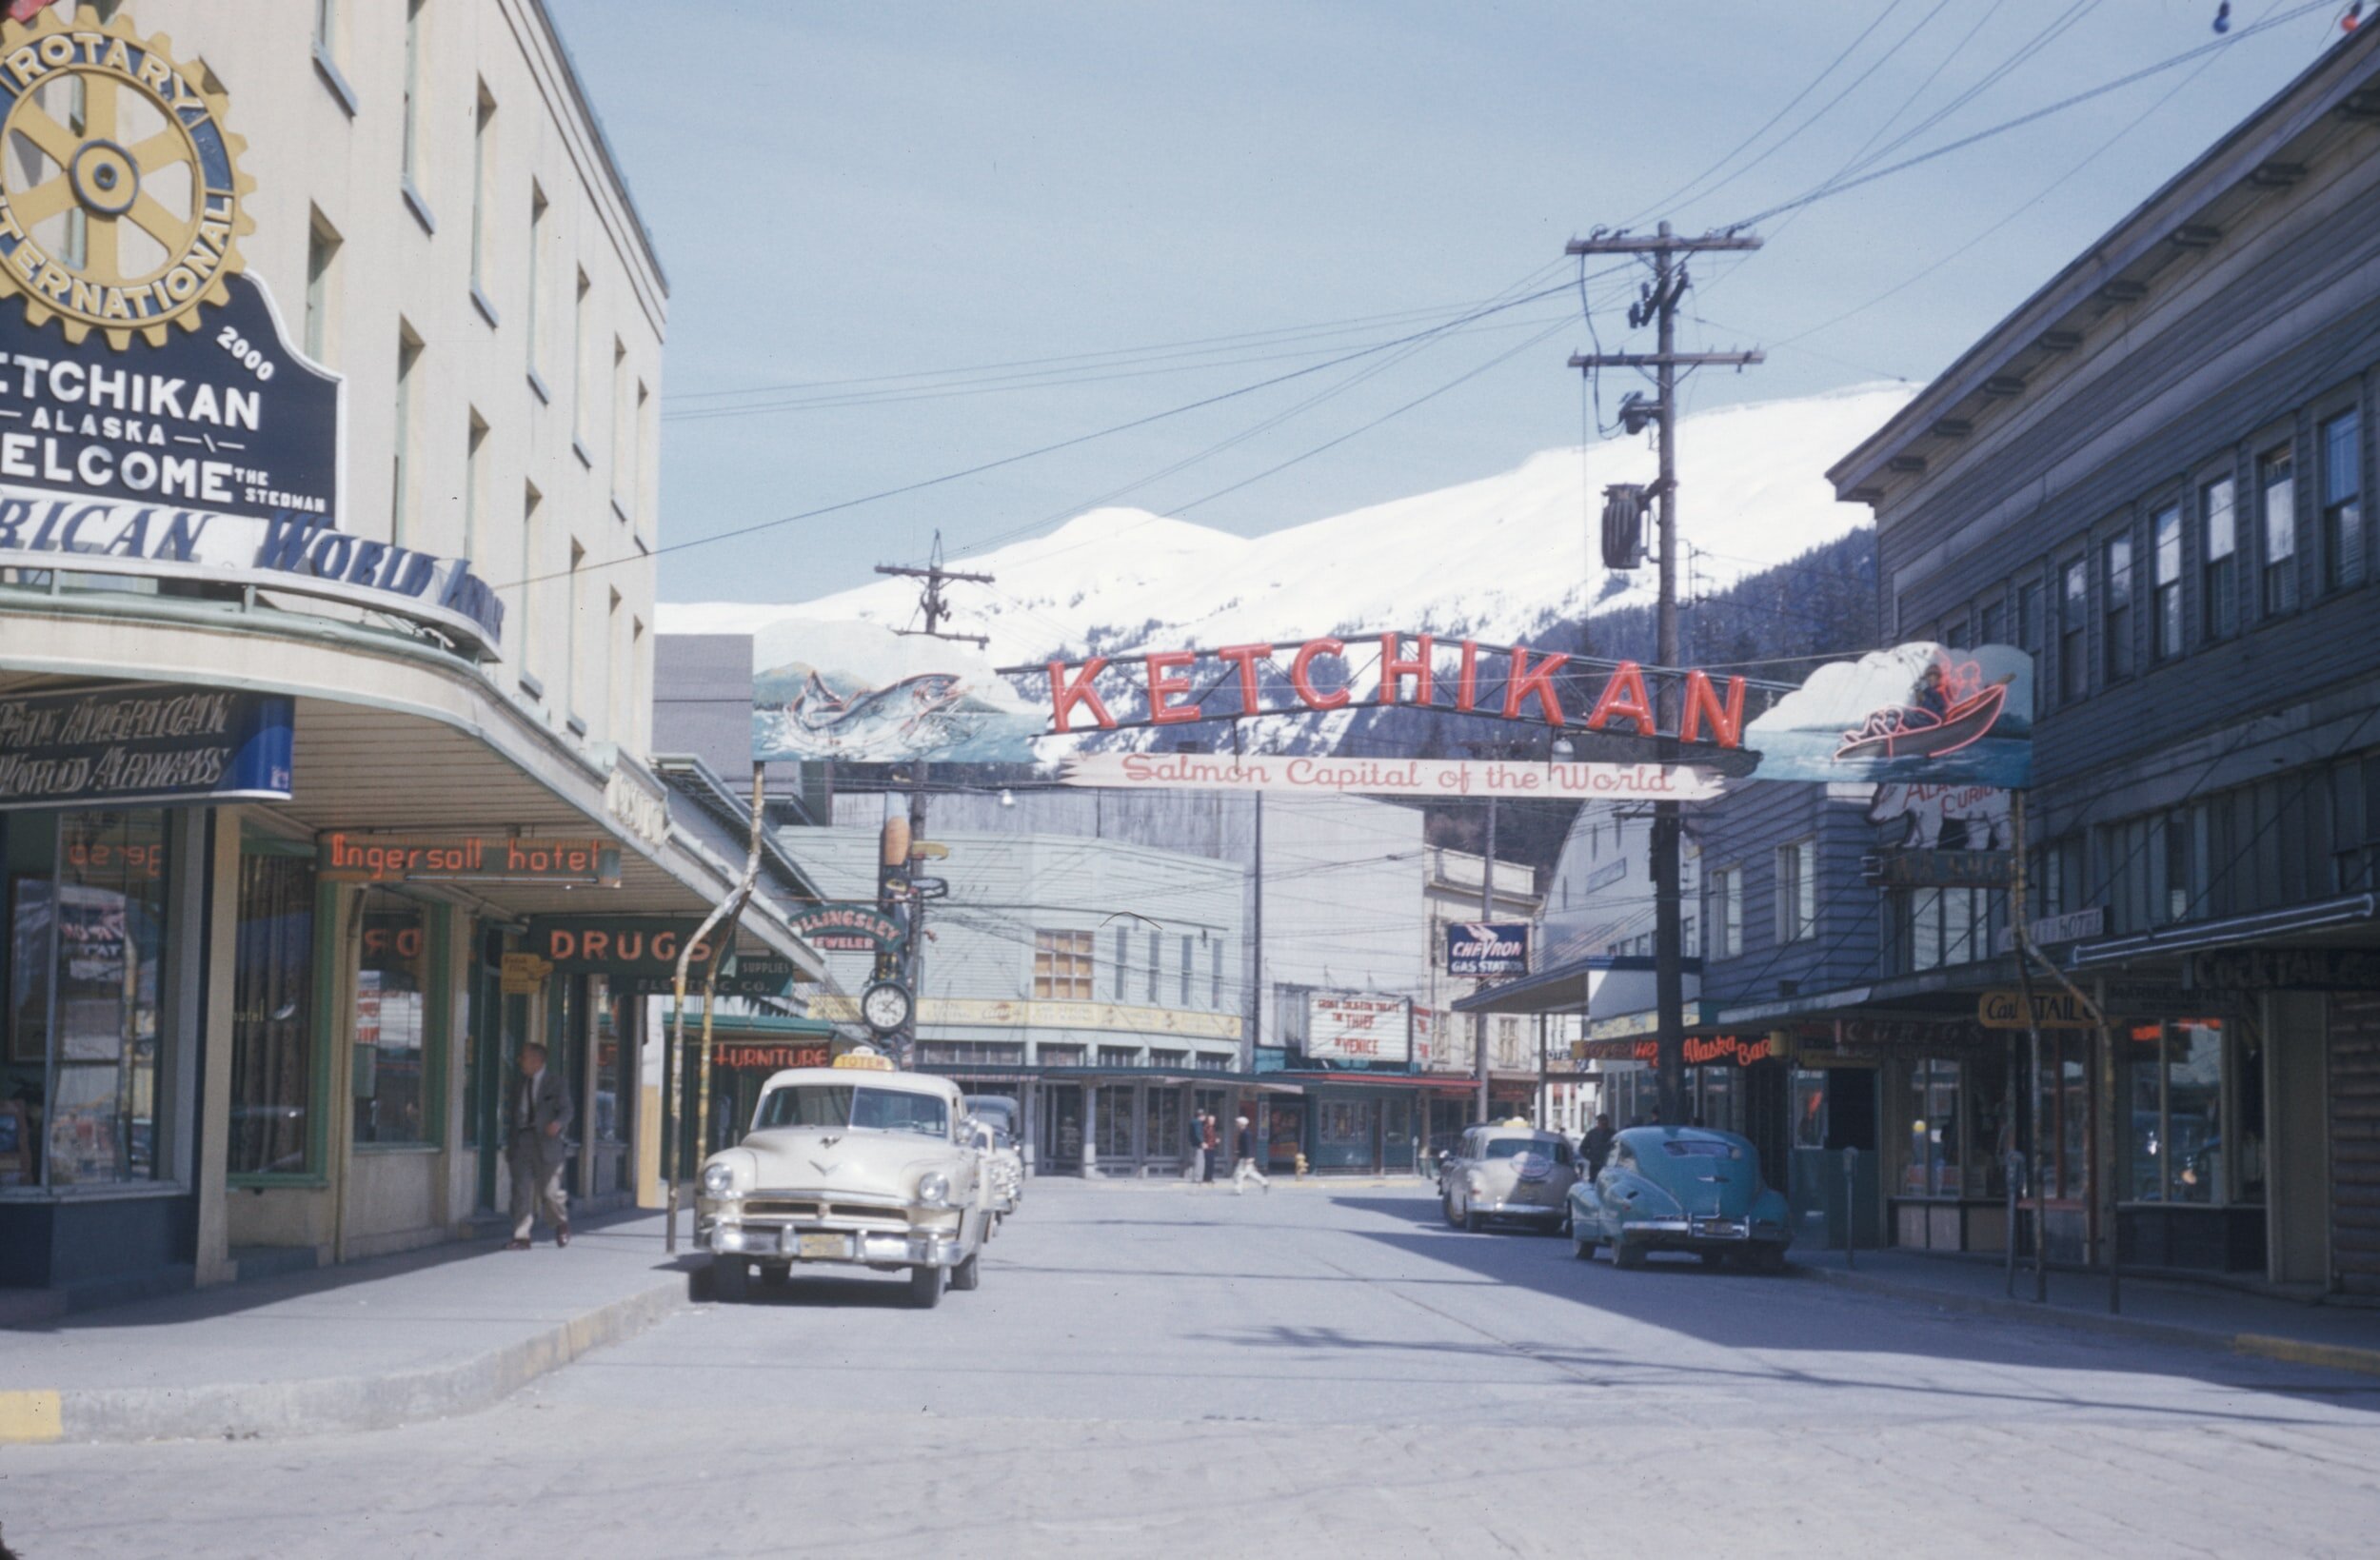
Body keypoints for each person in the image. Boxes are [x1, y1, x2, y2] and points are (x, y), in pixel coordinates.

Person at [506, 1041, 574, 1249]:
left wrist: (558, 1124)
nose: (520, 1062)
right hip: (522, 1142)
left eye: (523, 1057)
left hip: (547, 1143)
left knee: (550, 1193)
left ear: (537, 1060)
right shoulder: (519, 1083)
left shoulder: (556, 1083)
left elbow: (567, 1110)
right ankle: (521, 1236)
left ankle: (561, 1222)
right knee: (521, 1190)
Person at [1231, 1114, 1269, 1195]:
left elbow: (1249, 1146)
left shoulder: (1246, 1133)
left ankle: (1238, 1190)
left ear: (1242, 1124)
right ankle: (1264, 1182)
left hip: (1245, 1157)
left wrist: (1249, 1157)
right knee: (1251, 1173)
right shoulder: (1243, 1132)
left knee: (1238, 1174)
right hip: (1245, 1156)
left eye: (1237, 1122)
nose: (1236, 1124)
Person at [1581, 1113, 1616, 1178]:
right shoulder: (1592, 1133)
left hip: (1609, 1165)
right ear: (1598, 1123)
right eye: (1601, 1123)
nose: (1603, 1125)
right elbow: (1582, 1148)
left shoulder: (1612, 1133)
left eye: (1605, 1123)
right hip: (1595, 1165)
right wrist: (1590, 1157)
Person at [1183, 1110, 1208, 1185]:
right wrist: (1202, 1142)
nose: (1205, 1117)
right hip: (1198, 1145)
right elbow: (1198, 1134)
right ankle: (1197, 1178)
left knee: (1196, 1161)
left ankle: (1195, 1177)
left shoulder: (1193, 1122)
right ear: (1201, 1116)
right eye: (1204, 1116)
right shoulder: (1197, 1123)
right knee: (1199, 1162)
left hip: (1193, 1144)